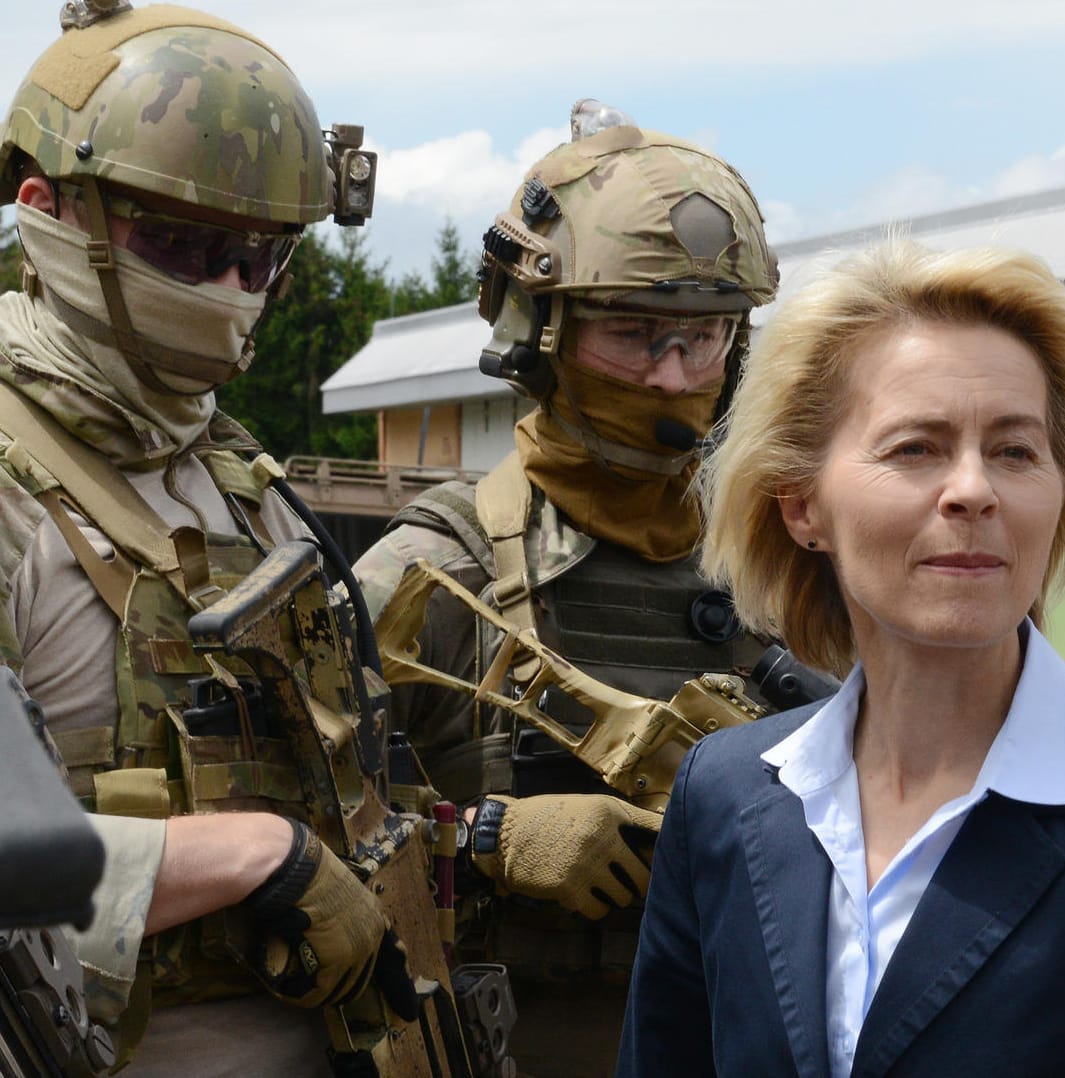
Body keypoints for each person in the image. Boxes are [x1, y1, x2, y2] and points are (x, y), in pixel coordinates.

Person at [617, 239, 1065, 1077]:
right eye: (915, 447)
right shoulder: (723, 795)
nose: (973, 489)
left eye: (1016, 450)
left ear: (1062, 498)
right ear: (801, 504)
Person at [0, 2, 410, 1073]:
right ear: (47, 211)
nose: (230, 290)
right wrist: (245, 854)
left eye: (261, 257)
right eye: (183, 242)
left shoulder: (250, 488)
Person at [352, 100, 780, 1076]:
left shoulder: (781, 568)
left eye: (704, 337)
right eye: (633, 334)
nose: (674, 376)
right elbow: (283, 837)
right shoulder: (435, 568)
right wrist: (487, 836)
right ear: (538, 329)